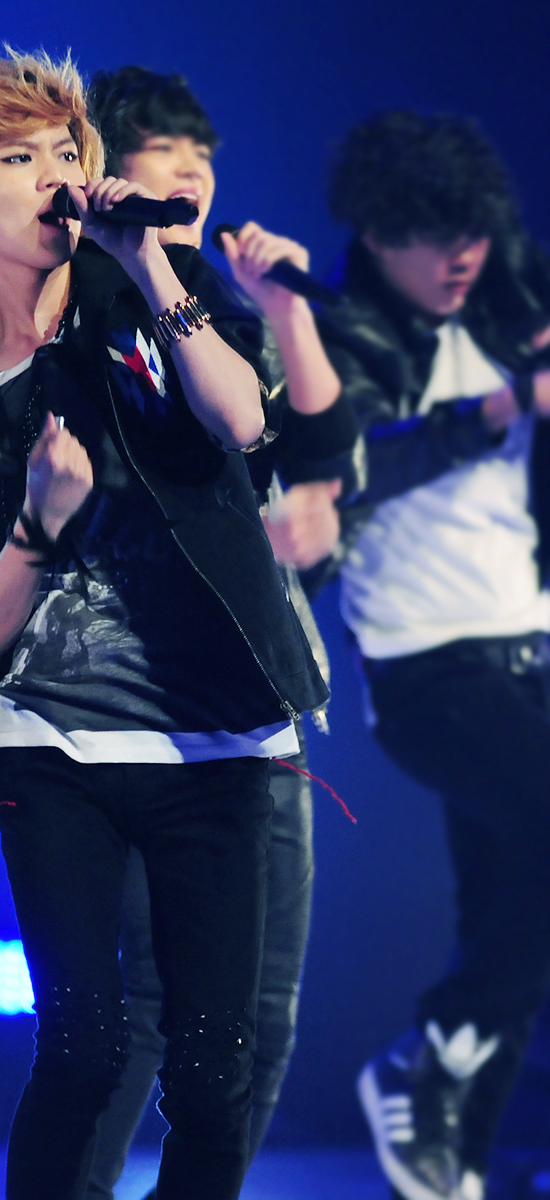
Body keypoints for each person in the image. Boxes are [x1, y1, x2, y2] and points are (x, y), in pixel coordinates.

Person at [0, 47, 335, 1200]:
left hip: (212, 738)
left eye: (64, 153)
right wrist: (37, 529)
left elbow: (241, 423)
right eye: (18, 158)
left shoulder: (147, 296)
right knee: (81, 1048)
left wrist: (147, 261)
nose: (53, 177)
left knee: (213, 1072)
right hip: (54, 744)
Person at [79, 66, 358, 1200]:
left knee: (264, 1009)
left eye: (205, 157)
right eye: (165, 150)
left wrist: (285, 305)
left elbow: (319, 450)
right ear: (105, 173)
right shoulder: (83, 315)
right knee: (143, 1005)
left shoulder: (231, 319)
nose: (194, 170)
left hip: (261, 703)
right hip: (134, 704)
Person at [313, 110, 550, 1200]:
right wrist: (501, 404)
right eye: (438, 239)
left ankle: (452, 1167)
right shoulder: (339, 334)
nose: (463, 259)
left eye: (476, 236)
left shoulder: (508, 297)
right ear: (377, 234)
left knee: (513, 916)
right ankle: (430, 1048)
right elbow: (349, 466)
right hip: (427, 665)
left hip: (529, 640)